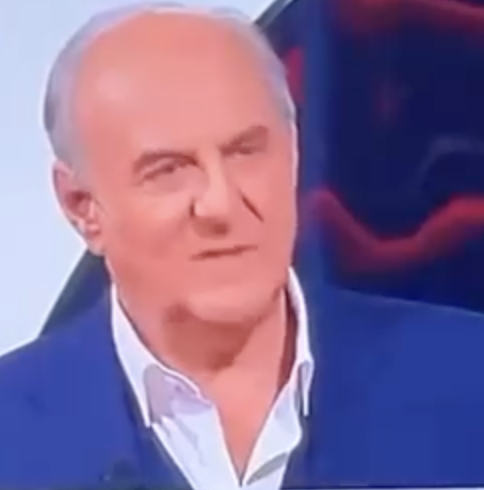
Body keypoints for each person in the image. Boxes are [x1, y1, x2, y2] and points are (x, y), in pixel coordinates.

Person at [2, 2, 484, 488]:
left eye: (245, 152)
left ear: (293, 152)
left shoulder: (468, 376)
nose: (221, 205)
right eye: (169, 170)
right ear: (82, 205)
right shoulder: (13, 431)